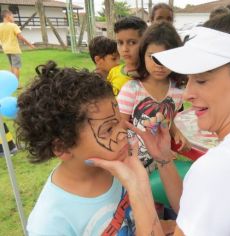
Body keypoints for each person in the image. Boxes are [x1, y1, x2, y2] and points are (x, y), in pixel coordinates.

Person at [88, 6, 230, 236]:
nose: (188, 94)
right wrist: (163, 158)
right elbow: (197, 213)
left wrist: (137, 186)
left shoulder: (222, 167)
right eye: (188, 79)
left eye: (201, 80)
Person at [15, 61, 135, 235]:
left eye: (120, 123)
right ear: (62, 147)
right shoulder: (50, 224)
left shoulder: (118, 165)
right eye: (108, 130)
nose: (123, 134)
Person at [118, 21, 190, 176]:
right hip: (132, 165)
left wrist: (176, 132)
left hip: (160, 164)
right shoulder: (131, 90)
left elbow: (168, 119)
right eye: (153, 57)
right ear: (142, 55)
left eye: (166, 57)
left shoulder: (178, 92)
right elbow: (119, 126)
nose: (159, 65)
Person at [108, 16, 148, 96]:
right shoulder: (113, 72)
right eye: (120, 43)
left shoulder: (151, 76)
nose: (124, 49)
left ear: (145, 43)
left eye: (132, 42)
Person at [0, 9, 34, 82]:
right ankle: (16, 84)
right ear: (8, 16)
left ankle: (10, 81)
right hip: (14, 49)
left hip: (6, 49)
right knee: (16, 67)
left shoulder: (0, 26)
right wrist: (29, 44)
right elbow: (20, 37)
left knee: (12, 65)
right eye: (12, 16)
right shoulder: (13, 26)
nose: (13, 18)